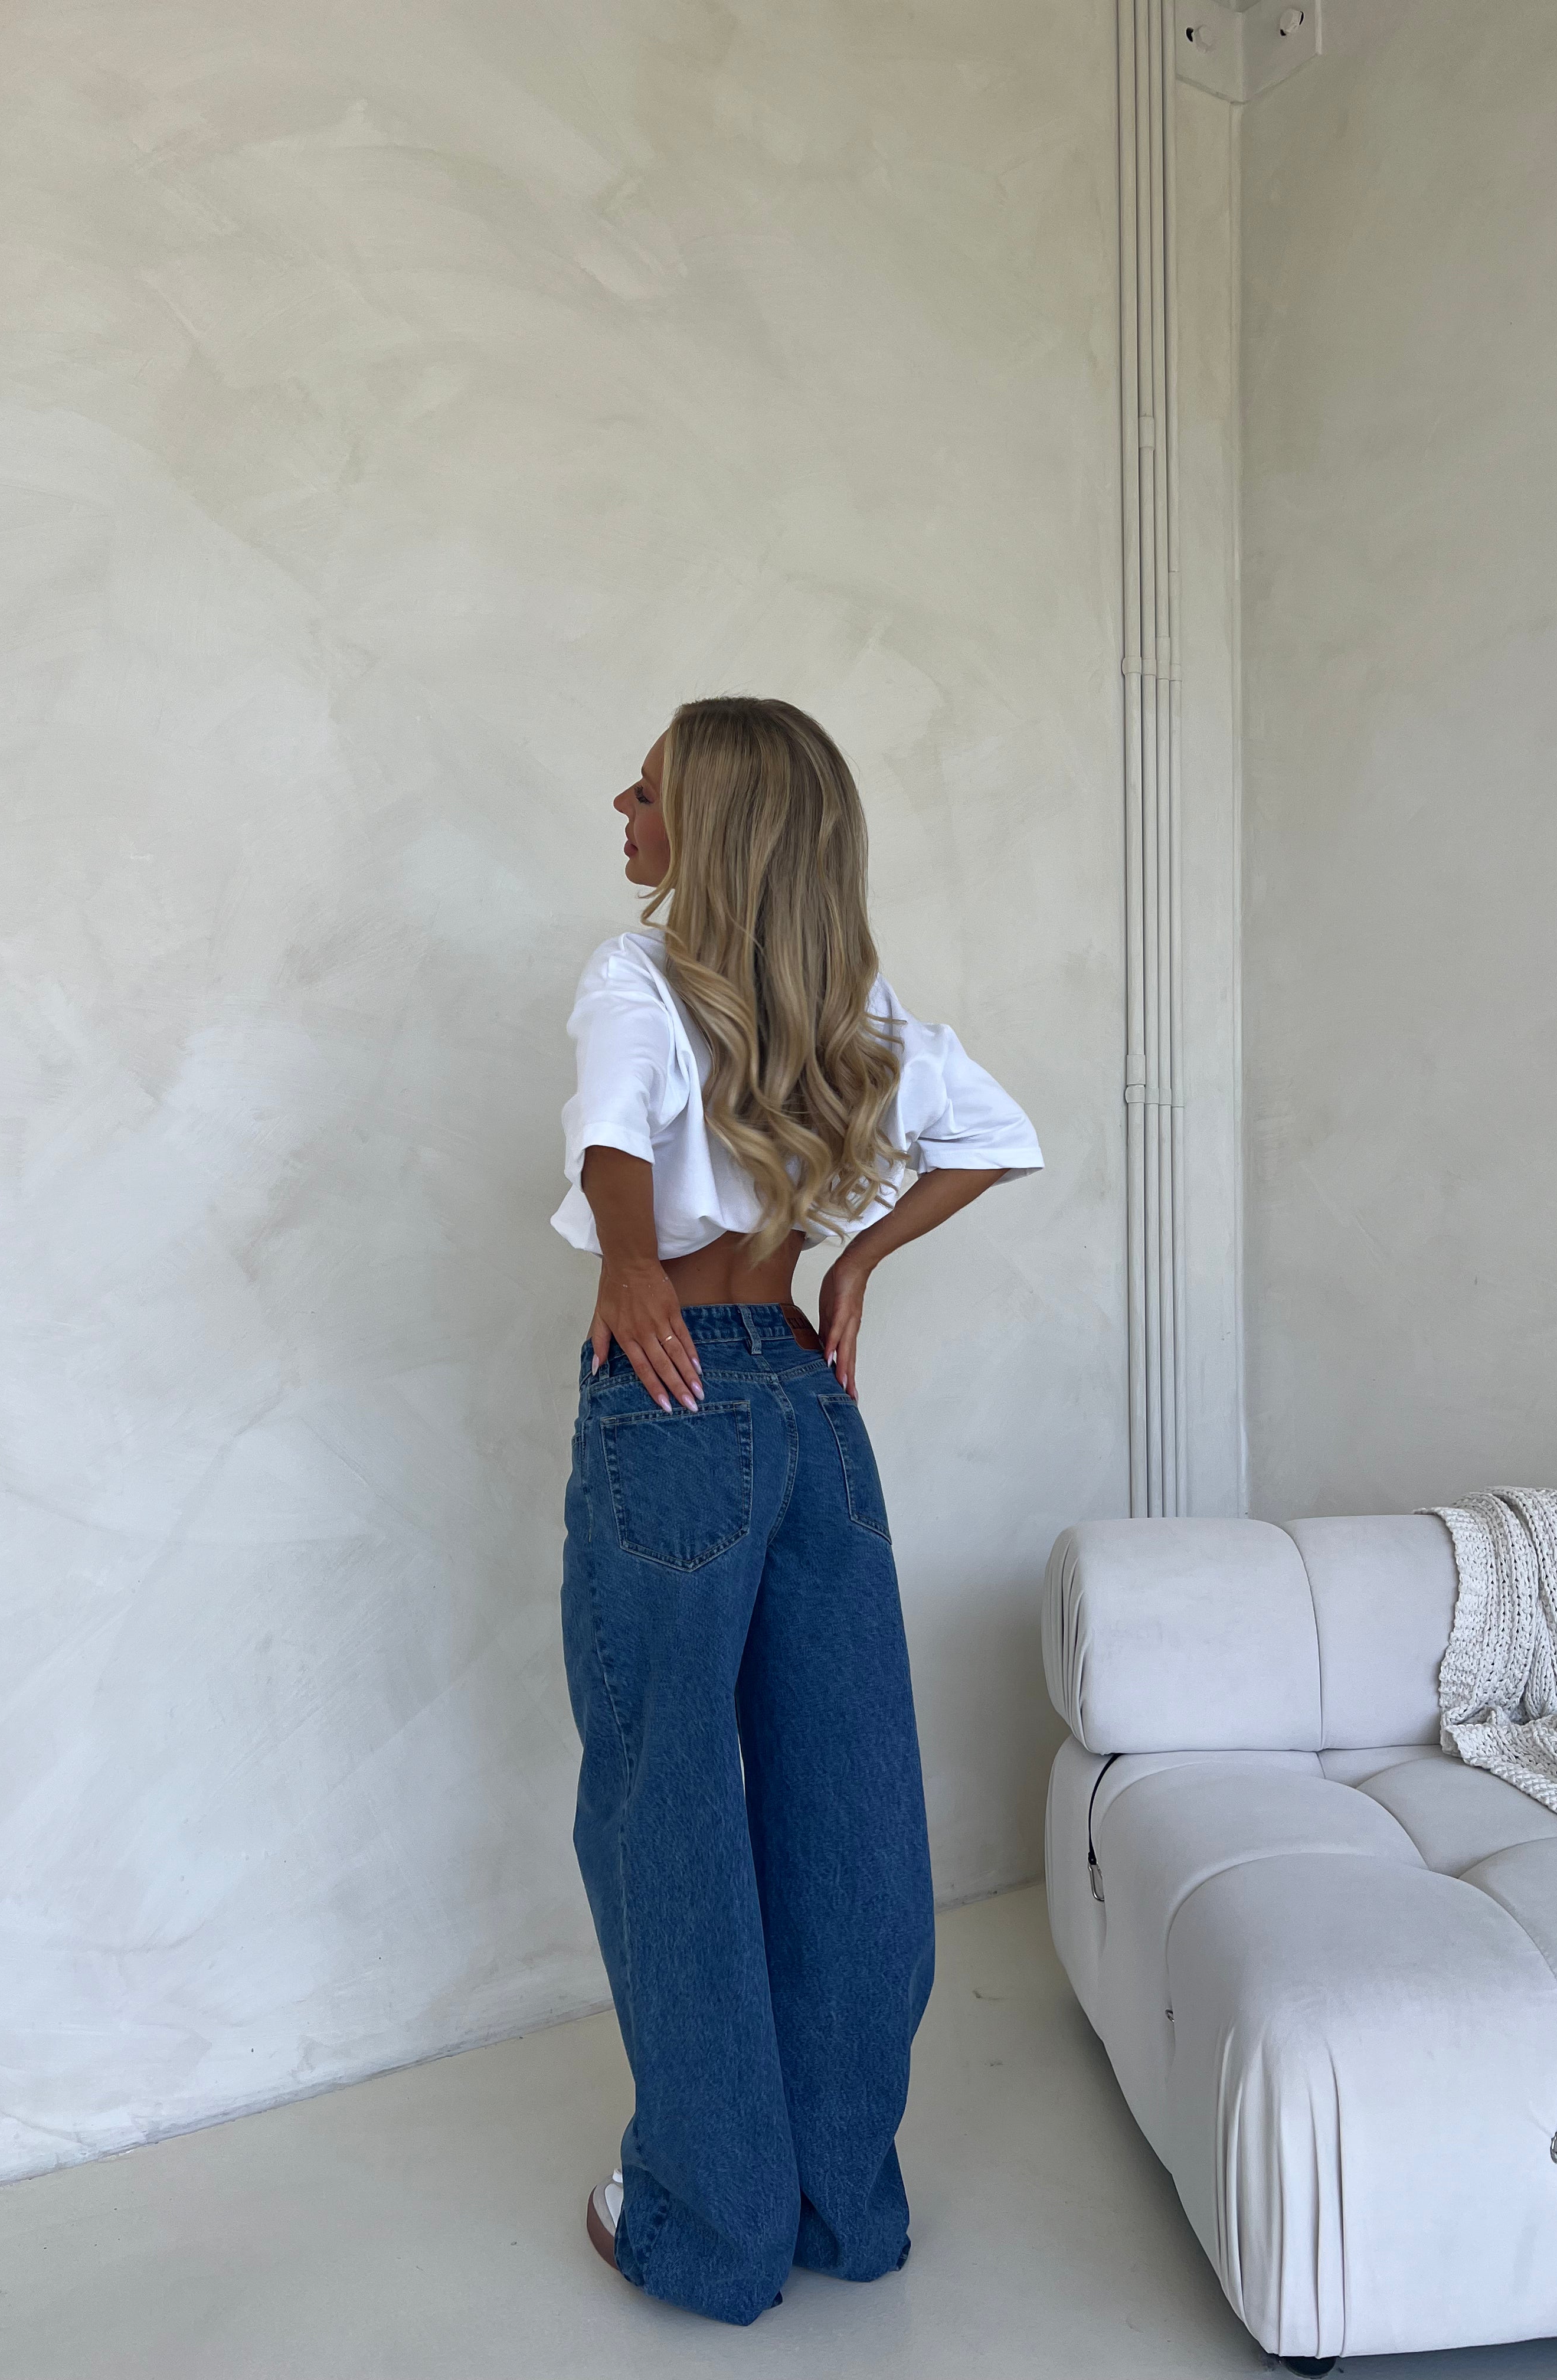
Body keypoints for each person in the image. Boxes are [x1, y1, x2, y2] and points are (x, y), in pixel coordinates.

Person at [552, 696, 1042, 2325]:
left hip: (676, 1400)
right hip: (809, 1406)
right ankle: (846, 2200)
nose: (624, 807)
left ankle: (712, 2224)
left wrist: (632, 1267)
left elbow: (612, 1126)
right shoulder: (849, 1007)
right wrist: (854, 1262)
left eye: (650, 789)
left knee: (668, 1800)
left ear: (713, 826)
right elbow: (998, 1136)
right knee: (848, 1788)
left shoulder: (635, 973)